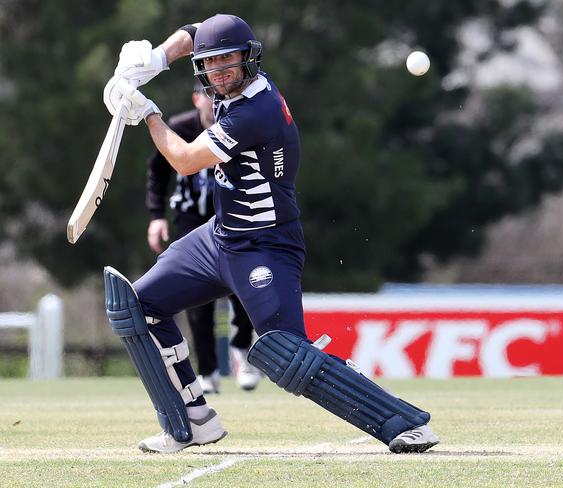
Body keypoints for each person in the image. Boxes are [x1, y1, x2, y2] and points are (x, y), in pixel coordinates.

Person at [102, 13, 438, 454]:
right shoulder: (226, 77)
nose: (220, 74)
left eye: (230, 64)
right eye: (212, 66)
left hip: (266, 245)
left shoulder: (256, 110)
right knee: (138, 308)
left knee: (285, 354)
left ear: (250, 60)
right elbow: (195, 33)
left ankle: (403, 422)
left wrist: (146, 112)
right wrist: (157, 58)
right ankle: (192, 421)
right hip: (218, 238)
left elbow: (183, 159)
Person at [145, 83, 262, 393]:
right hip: (191, 217)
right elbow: (158, 171)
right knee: (197, 299)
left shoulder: (236, 123)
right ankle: (207, 371)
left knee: (244, 285)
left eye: (219, 96)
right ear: (197, 99)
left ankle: (243, 352)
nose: (215, 102)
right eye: (209, 96)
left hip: (232, 214)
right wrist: (156, 215)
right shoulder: (181, 127)